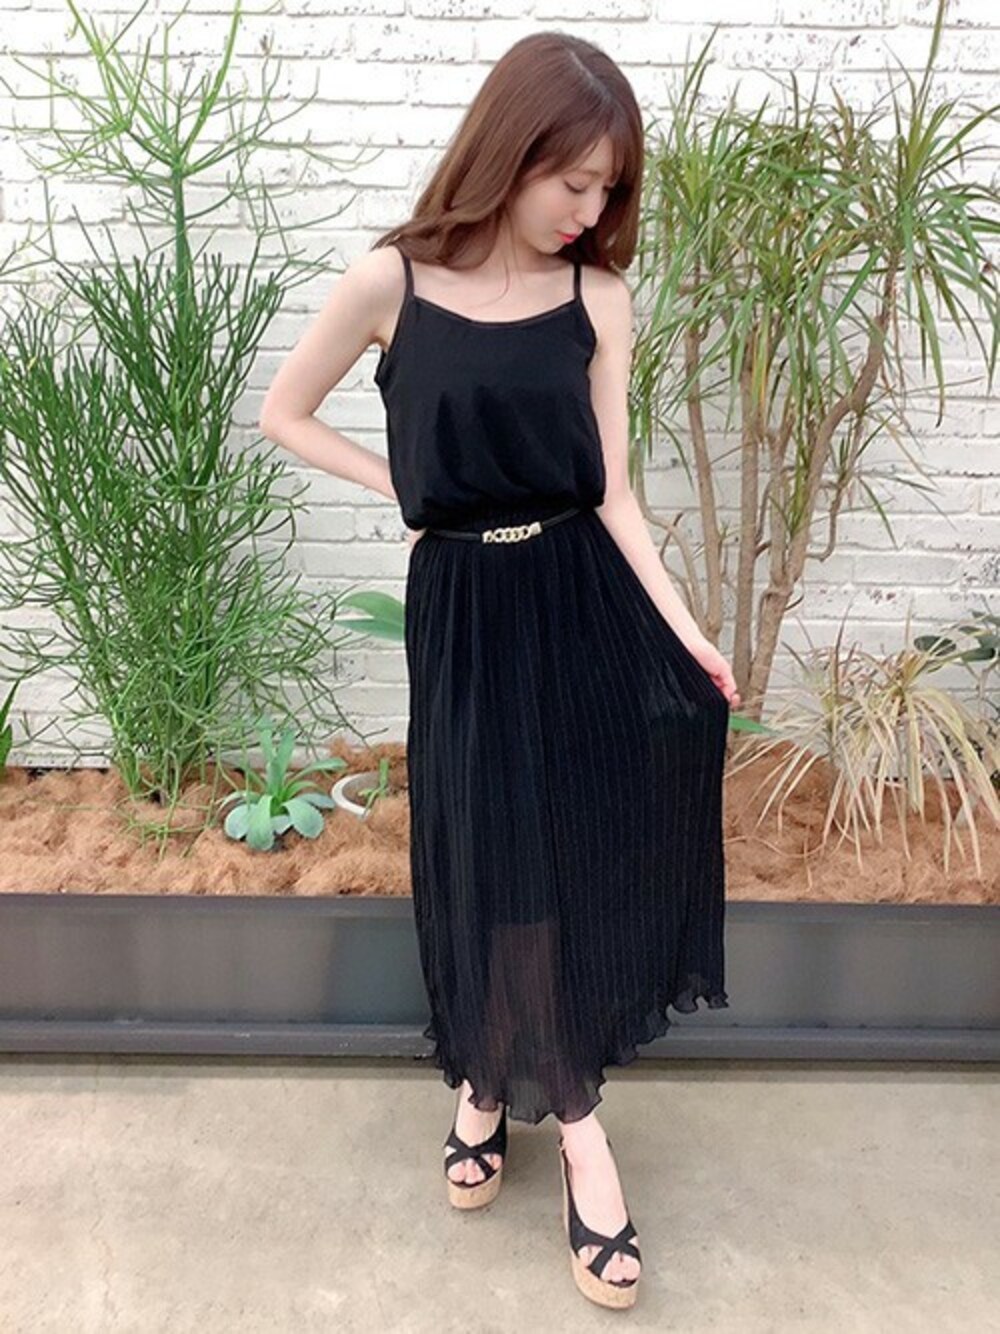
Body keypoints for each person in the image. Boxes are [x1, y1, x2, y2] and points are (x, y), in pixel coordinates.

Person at [260, 30, 739, 1311]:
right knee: (486, 843)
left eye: (607, 188)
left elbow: (615, 492)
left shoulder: (598, 299)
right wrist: (406, 486)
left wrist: (687, 629)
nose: (590, 208)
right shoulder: (392, 280)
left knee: (566, 845)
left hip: (577, 590)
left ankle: (505, 1086)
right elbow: (284, 412)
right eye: (572, 181)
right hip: (466, 604)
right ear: (510, 150)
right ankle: (555, 1112)